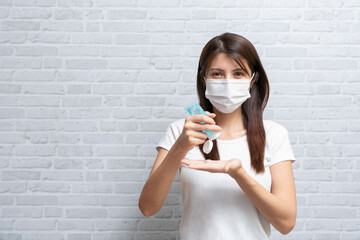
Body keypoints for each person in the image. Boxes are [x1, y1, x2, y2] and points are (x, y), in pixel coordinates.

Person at [138, 32, 296, 240]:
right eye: (217, 74)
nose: (228, 83)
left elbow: (285, 224)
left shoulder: (274, 134)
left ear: (252, 79)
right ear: (204, 79)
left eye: (238, 73)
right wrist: (180, 147)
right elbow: (148, 208)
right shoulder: (180, 131)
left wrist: (238, 174)